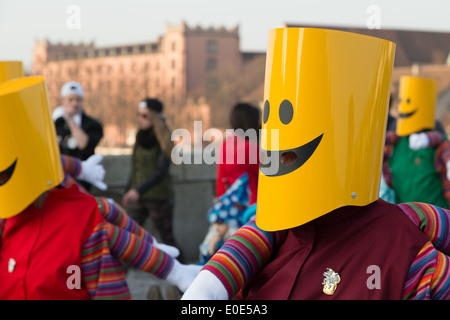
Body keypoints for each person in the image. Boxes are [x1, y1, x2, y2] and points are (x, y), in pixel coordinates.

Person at [182, 28, 449, 300]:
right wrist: (210, 283)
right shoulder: (273, 230)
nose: (273, 160)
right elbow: (255, 236)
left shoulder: (402, 245)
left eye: (288, 154)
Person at [0, 74, 200, 299]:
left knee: (157, 235)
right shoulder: (8, 220)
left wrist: (164, 260)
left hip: (131, 196)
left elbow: (113, 222)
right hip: (79, 191)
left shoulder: (80, 214)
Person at [383, 76, 450, 209]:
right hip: (406, 219)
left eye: (407, 101)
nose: (403, 106)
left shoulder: (436, 141)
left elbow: (443, 144)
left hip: (436, 219)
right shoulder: (394, 143)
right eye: (401, 101)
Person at [122, 98, 178, 252]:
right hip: (138, 197)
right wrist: (128, 190)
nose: (140, 119)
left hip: (158, 197)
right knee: (129, 238)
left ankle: (186, 273)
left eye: (145, 116)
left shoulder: (164, 138)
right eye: (138, 115)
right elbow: (135, 168)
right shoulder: (140, 137)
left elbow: (161, 171)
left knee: (167, 239)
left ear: (154, 117)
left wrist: (137, 190)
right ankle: (118, 274)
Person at [53, 81, 103, 190]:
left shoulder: (92, 124)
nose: (74, 104)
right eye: (70, 100)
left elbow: (84, 145)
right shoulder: (55, 123)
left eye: (78, 100)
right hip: (58, 181)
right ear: (63, 101)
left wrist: (70, 120)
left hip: (81, 182)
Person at [216, 102, 260, 205]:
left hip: (232, 205)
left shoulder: (226, 144)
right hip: (252, 205)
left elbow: (221, 179)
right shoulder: (250, 147)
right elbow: (267, 172)